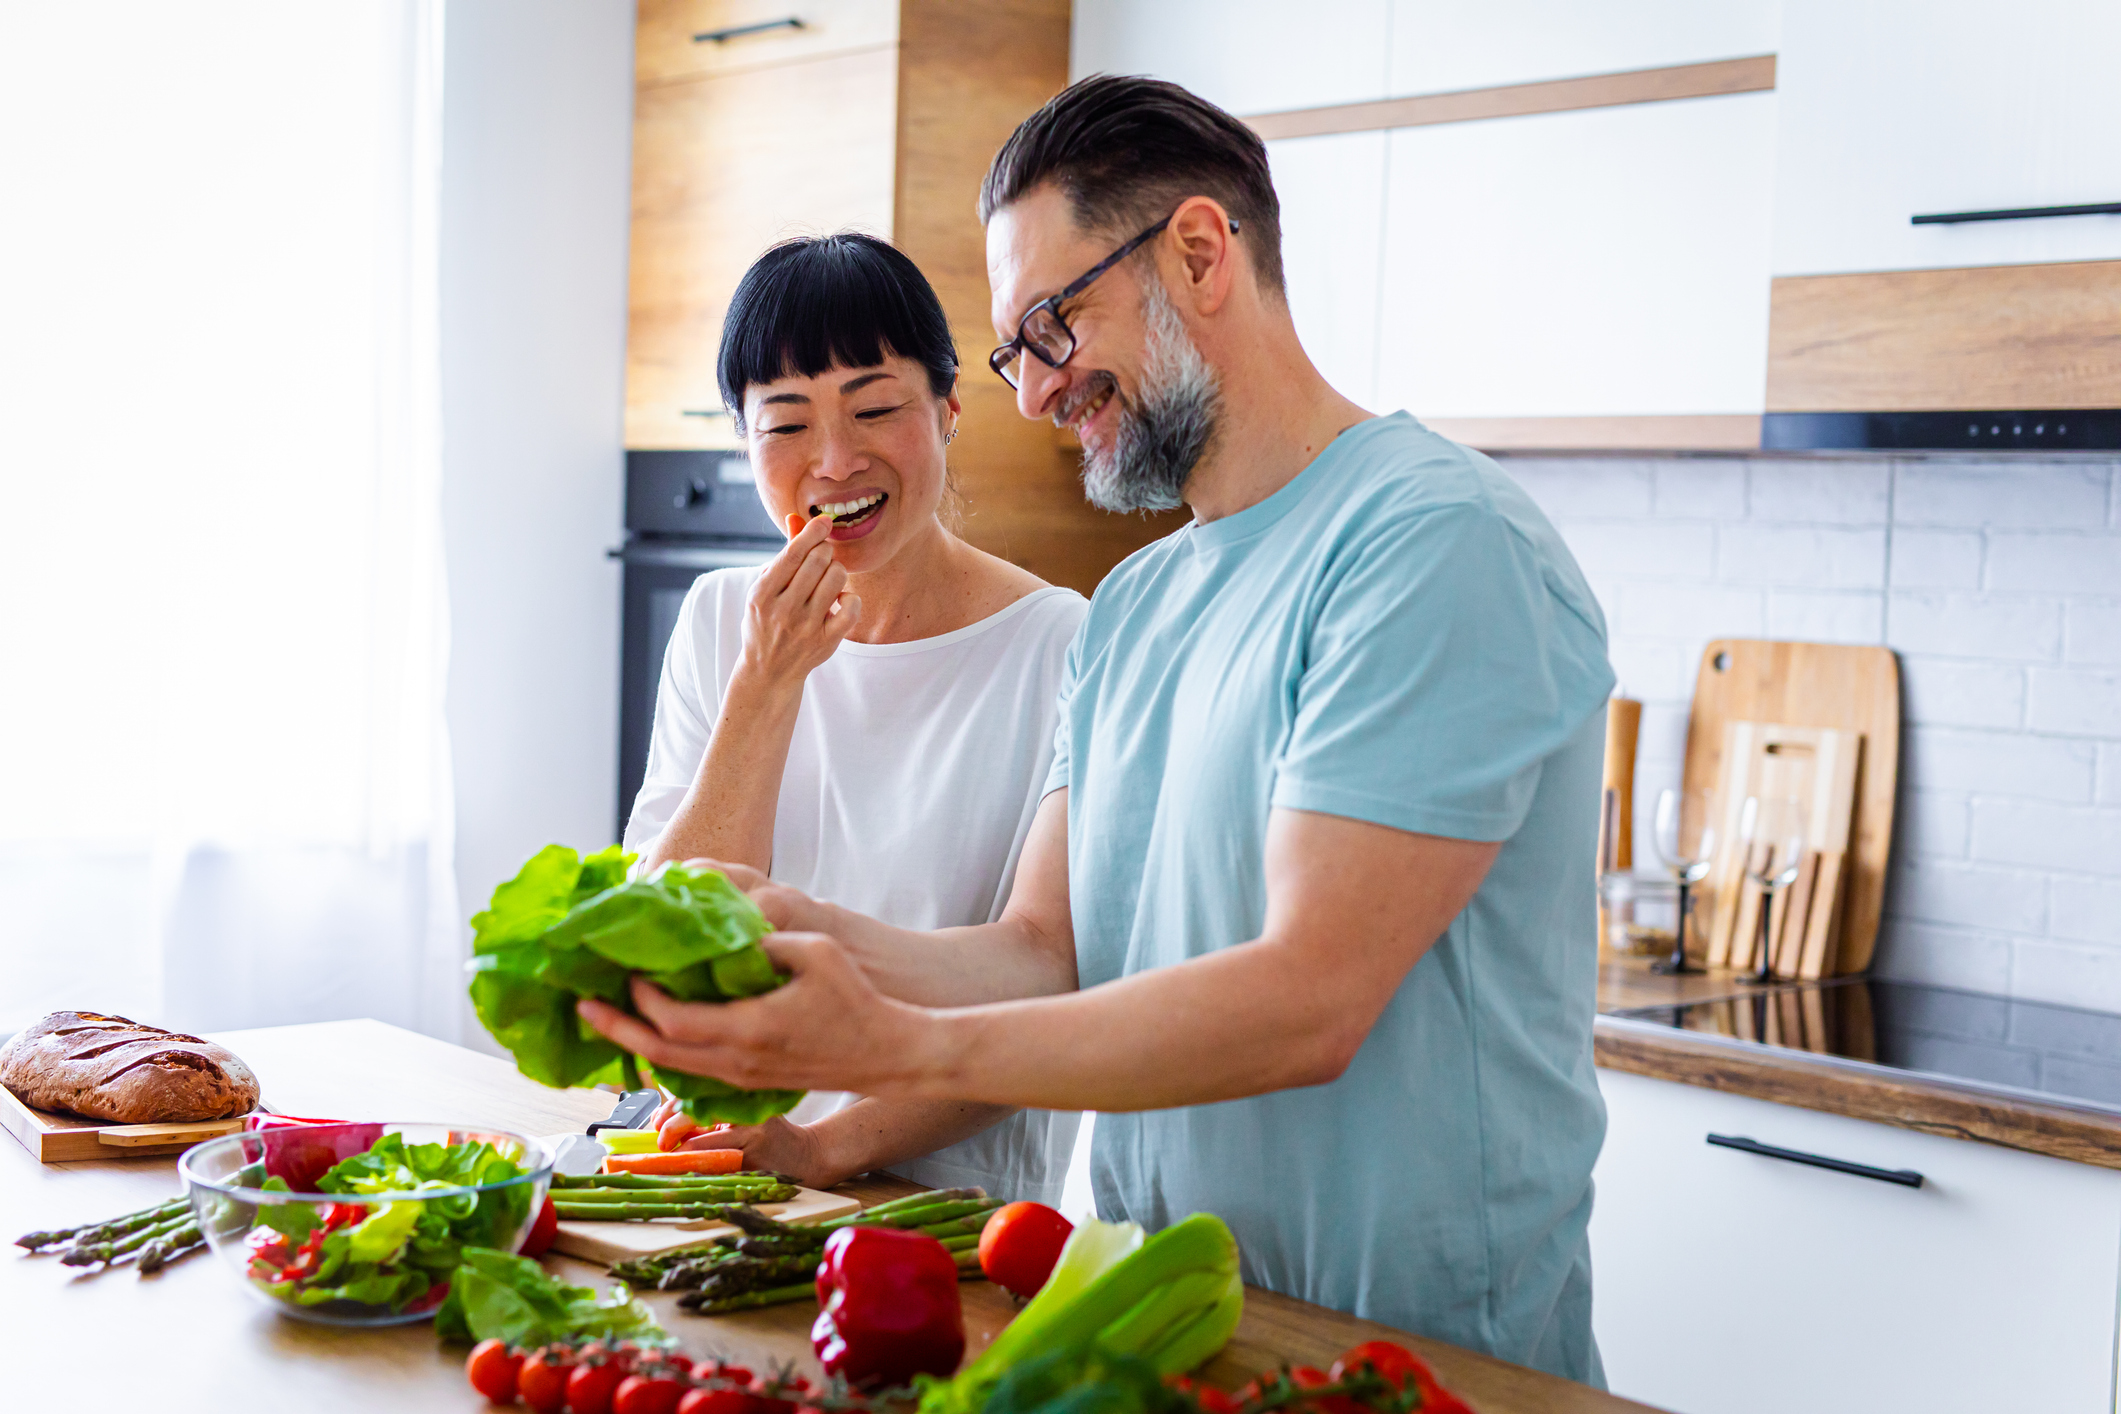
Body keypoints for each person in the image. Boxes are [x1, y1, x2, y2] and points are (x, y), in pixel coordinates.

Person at [585, 78, 1615, 1383]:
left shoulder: (1429, 543)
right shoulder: (1136, 607)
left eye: (1051, 328)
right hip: (1151, 1321)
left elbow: (1307, 1000)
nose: (1033, 395)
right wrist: (807, 928)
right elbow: (1042, 950)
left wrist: (884, 1047)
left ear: (1196, 252)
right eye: (1016, 351)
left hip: (1405, 1352)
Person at [622, 232, 1084, 1205]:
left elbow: (1049, 979)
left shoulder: (1065, 645)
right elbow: (658, 953)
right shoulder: (717, 623)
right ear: (744, 443)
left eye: (875, 408)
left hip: (951, 1211)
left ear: (951, 410)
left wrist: (826, 1146)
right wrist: (765, 686)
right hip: (723, 1180)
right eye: (784, 425)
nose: (835, 460)